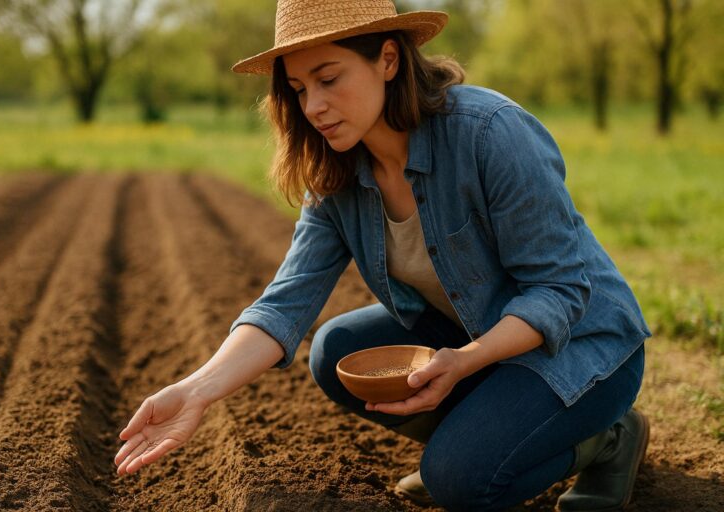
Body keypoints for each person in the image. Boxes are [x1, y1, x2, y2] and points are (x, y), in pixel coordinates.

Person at [114, 1, 652, 510]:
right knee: (336, 350)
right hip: (473, 334)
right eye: (299, 89)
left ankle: (604, 438)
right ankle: (485, 435)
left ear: (388, 59)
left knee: (460, 480)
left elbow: (559, 291)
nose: (313, 106)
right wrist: (195, 391)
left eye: (329, 79)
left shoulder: (489, 133)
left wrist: (465, 361)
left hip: (581, 347)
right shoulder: (336, 175)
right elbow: (284, 304)